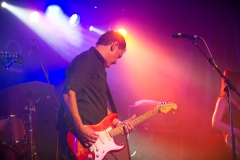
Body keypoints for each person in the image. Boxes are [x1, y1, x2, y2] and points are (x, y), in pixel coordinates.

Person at [56, 30, 135, 160]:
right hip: (78, 138)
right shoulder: (88, 60)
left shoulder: (99, 67)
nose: (116, 62)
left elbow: (96, 104)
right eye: (118, 56)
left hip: (92, 141)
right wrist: (80, 129)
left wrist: (116, 123)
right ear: (114, 45)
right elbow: (68, 93)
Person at [212, 69, 240, 158]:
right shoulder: (223, 100)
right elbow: (215, 123)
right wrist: (237, 131)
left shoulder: (236, 101)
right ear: (234, 84)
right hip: (232, 145)